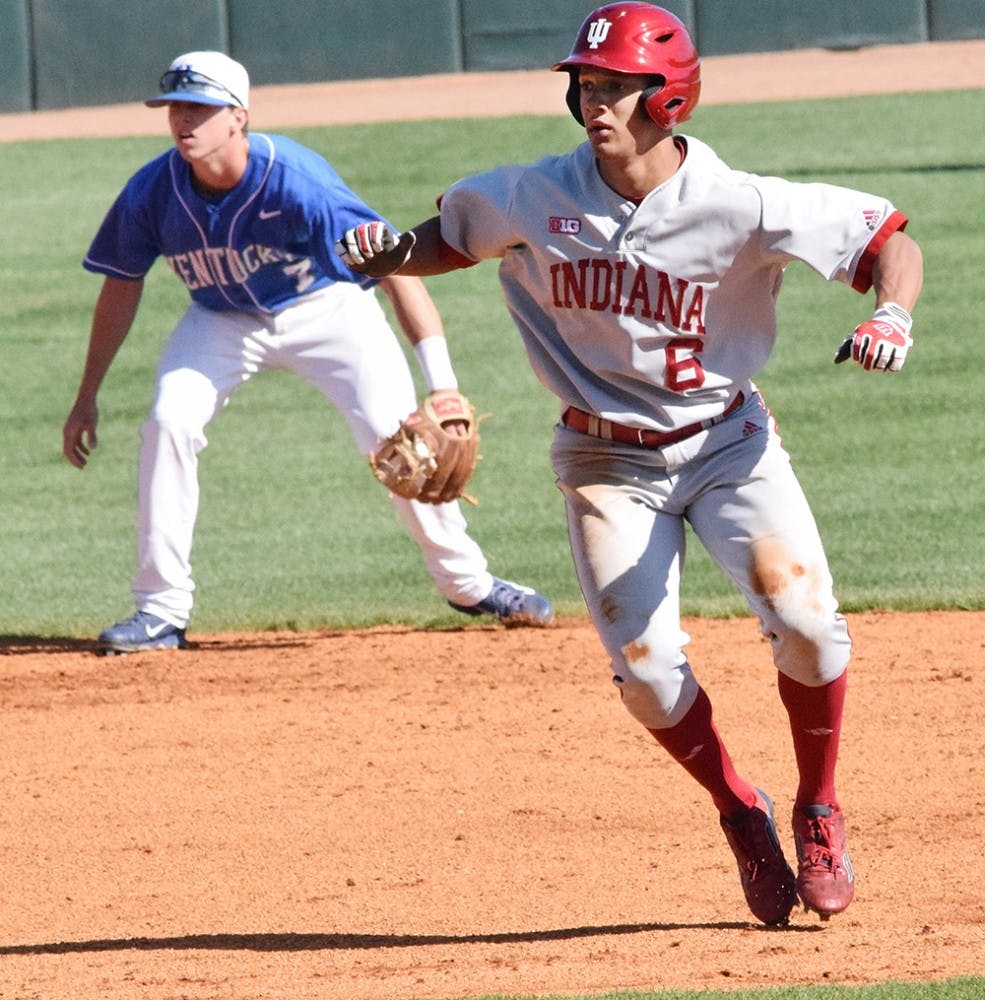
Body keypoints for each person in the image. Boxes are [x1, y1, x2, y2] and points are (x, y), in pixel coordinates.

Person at [336, 2, 923, 925]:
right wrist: (390, 253)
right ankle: (740, 810)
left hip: (728, 443)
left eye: (615, 85)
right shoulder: (536, 193)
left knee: (806, 623)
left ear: (670, 98)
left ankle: (818, 804)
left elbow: (889, 240)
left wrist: (890, 314)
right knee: (647, 676)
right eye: (586, 84)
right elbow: (450, 237)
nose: (593, 100)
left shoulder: (740, 202)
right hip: (604, 457)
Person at [62, 50, 553, 654]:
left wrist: (442, 382)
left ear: (238, 116)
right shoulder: (152, 192)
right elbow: (121, 285)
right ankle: (160, 610)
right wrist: (87, 395)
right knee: (168, 423)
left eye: (200, 107)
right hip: (219, 321)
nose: (183, 120)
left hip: (328, 310)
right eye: (176, 107)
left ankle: (468, 583)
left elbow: (396, 265)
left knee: (400, 441)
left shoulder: (297, 180)